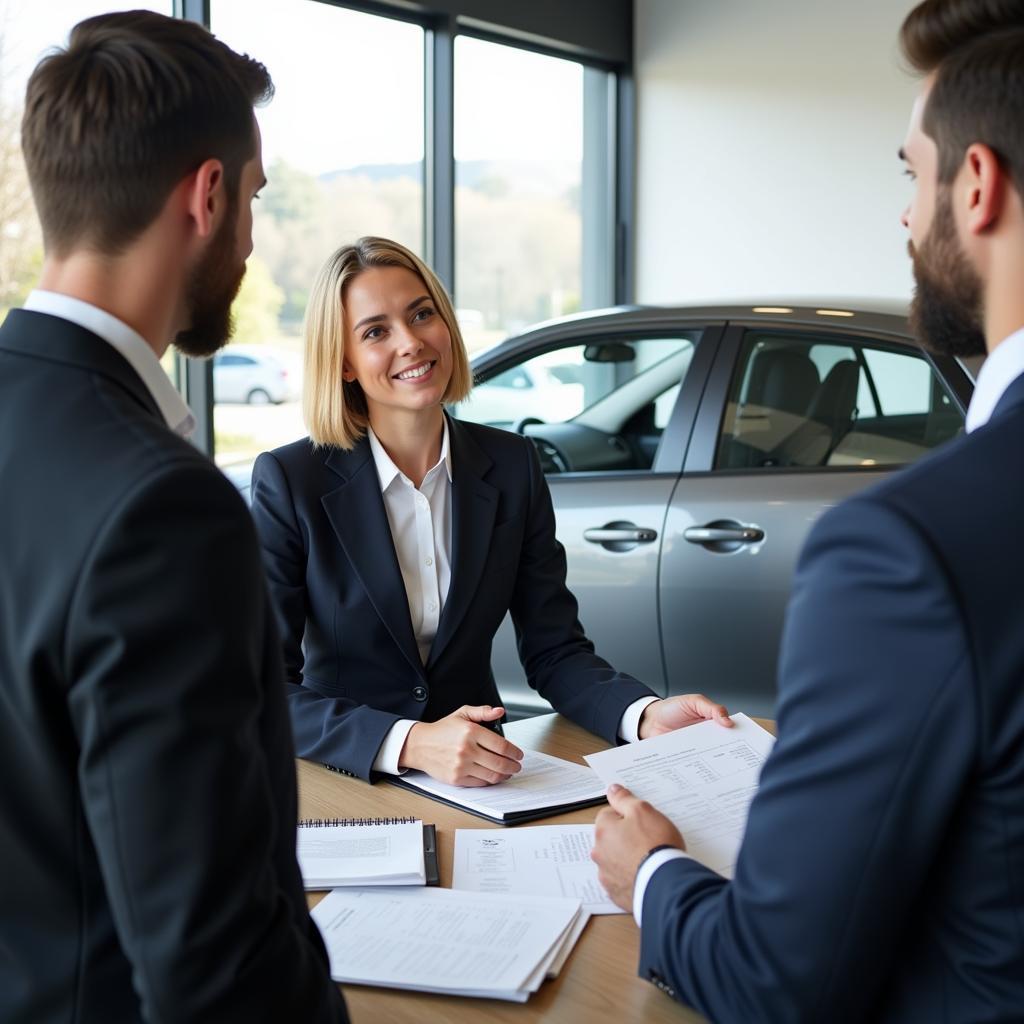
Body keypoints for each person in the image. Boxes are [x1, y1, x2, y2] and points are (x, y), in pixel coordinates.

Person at [591, 1, 1024, 1020]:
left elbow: (778, 982)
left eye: (909, 175)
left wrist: (653, 872)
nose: (906, 216)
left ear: (975, 185)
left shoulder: (905, 545)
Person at [0, 13, 347, 1023]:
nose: (250, 235)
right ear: (208, 195)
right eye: (254, 200)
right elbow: (211, 967)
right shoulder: (163, 505)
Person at [250, 236, 732, 785]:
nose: (410, 342)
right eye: (376, 331)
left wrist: (642, 716)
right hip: (350, 778)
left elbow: (556, 651)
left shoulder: (511, 465)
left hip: (486, 781)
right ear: (344, 363)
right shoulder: (292, 480)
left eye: (421, 314)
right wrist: (410, 742)